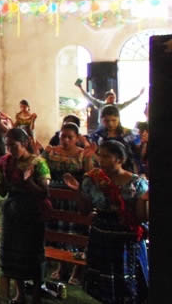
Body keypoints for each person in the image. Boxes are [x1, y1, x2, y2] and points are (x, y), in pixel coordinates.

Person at [64, 141, 149, 304]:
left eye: (106, 157)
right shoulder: (92, 179)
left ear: (120, 159)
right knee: (103, 286)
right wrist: (77, 191)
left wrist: (145, 201)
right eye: (100, 156)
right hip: (101, 235)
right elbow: (84, 210)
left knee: (128, 286)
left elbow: (141, 217)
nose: (101, 160)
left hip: (126, 240)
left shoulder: (137, 183)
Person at [0, 128, 51, 304]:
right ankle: (20, 294)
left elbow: (44, 193)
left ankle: (36, 295)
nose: (10, 150)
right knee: (13, 254)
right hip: (13, 212)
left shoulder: (38, 163)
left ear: (25, 143)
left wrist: (29, 181)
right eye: (8, 146)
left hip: (32, 212)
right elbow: (3, 192)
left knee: (32, 253)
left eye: (14, 146)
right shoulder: (5, 162)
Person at [43, 122, 96, 285]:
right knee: (57, 232)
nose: (65, 140)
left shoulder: (83, 154)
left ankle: (77, 269)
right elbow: (41, 169)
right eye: (63, 137)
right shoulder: (51, 152)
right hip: (55, 198)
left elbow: (89, 176)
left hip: (75, 199)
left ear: (77, 138)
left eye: (69, 137)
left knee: (76, 233)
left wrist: (89, 158)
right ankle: (62, 267)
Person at [90, 105, 140, 173]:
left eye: (114, 120)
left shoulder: (129, 134)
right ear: (102, 120)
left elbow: (136, 156)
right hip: (104, 170)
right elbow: (95, 153)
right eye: (107, 121)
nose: (110, 124)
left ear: (118, 118)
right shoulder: (98, 136)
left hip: (126, 170)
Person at [75, 82, 144, 113]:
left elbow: (129, 102)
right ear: (106, 98)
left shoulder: (117, 106)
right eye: (111, 98)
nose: (113, 99)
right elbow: (89, 98)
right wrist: (81, 88)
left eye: (114, 98)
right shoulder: (101, 104)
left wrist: (139, 95)